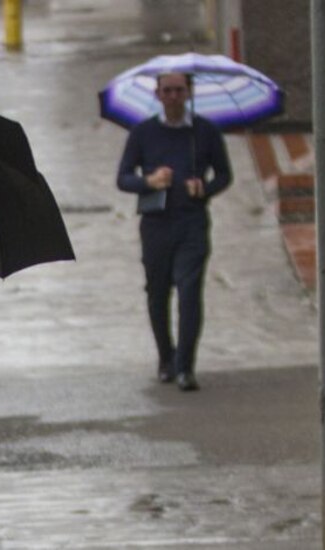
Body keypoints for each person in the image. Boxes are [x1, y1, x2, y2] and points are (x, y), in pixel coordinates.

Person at [116, 72, 232, 392]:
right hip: (155, 224)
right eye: (167, 90)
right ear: (157, 94)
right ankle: (165, 359)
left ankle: (185, 366)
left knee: (190, 291)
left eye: (179, 90)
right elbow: (123, 177)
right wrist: (148, 182)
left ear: (189, 93)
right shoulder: (142, 133)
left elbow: (224, 174)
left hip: (192, 222)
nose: (173, 96)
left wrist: (204, 188)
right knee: (157, 293)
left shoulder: (205, 132)